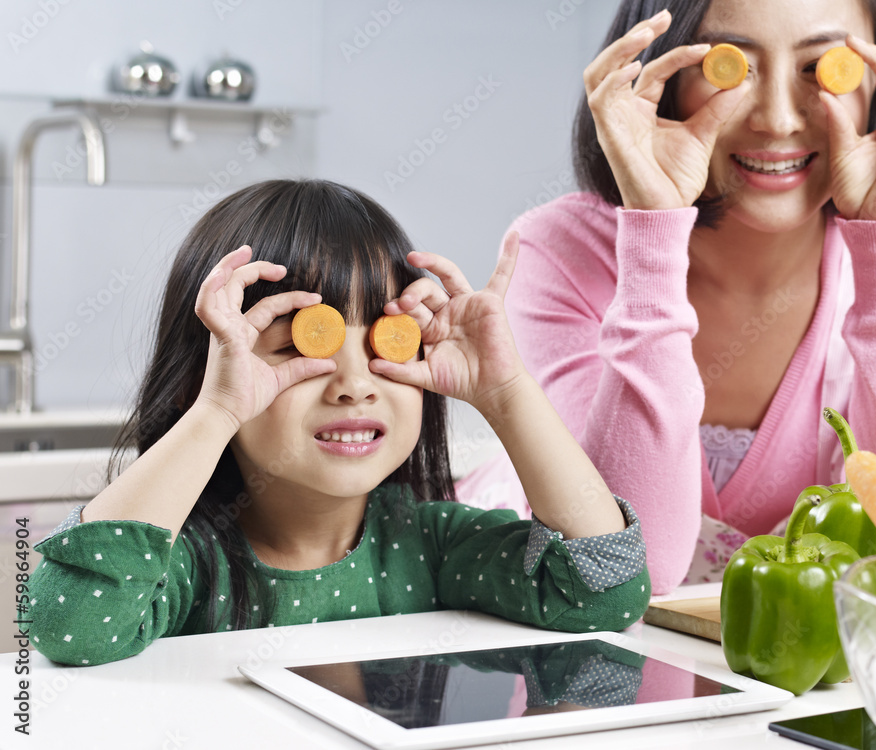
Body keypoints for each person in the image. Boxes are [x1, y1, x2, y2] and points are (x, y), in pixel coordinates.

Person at [457, 0, 876, 593]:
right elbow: (627, 568)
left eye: (825, 66)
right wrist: (653, 225)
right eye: (730, 66)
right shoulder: (558, 250)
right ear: (661, 75)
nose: (777, 120)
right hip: (566, 651)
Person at [27, 180, 650, 667]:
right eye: (301, 346)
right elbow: (72, 624)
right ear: (211, 373)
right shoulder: (190, 561)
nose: (355, 384)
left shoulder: (431, 545)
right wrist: (215, 412)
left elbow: (605, 592)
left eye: (389, 342)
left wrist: (508, 393)